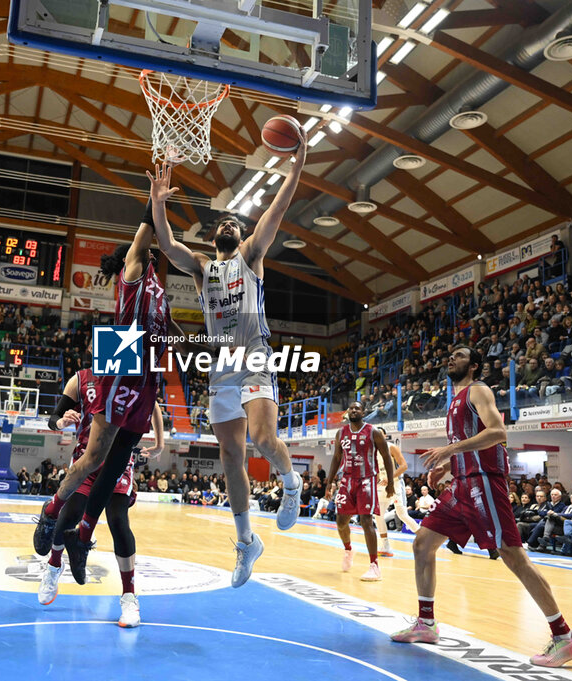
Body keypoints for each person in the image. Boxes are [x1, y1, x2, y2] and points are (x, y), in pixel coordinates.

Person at [148, 141, 309, 587]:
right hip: (220, 368)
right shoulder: (202, 269)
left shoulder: (251, 256)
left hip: (254, 355)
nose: (228, 224)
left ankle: (291, 483)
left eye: (234, 224)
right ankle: (246, 542)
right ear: (214, 237)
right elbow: (166, 243)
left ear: (241, 238)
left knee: (263, 438)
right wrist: (157, 202)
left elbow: (277, 210)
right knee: (230, 456)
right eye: (223, 222)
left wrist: (296, 167)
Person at [390, 346, 572, 668]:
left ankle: (564, 637)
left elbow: (497, 433)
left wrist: (450, 450)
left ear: (474, 365)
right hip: (461, 484)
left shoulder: (478, 390)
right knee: (422, 543)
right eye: (450, 355)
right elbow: (475, 444)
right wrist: (450, 465)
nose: (451, 358)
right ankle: (426, 623)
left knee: (513, 556)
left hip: (484, 483)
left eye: (460, 355)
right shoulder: (455, 399)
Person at [33, 192, 170, 587]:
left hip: (147, 370)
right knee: (94, 457)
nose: (151, 249)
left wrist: (196, 346)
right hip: (124, 354)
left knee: (116, 463)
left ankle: (81, 540)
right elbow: (145, 233)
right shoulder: (134, 272)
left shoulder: (159, 291)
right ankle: (52, 512)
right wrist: (157, 199)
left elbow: (167, 327)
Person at [38, 366, 163, 627]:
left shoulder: (132, 376)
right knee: (70, 515)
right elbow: (54, 416)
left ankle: (129, 596)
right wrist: (61, 422)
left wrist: (160, 444)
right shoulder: (81, 379)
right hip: (87, 459)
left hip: (119, 462)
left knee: (118, 521)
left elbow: (153, 405)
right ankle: (54, 566)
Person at [326, 401, 394, 580]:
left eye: (357, 408)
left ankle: (374, 565)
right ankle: (349, 550)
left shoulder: (373, 432)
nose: (354, 410)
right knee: (341, 522)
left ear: (363, 412)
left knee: (366, 520)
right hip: (347, 480)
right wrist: (329, 482)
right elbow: (336, 458)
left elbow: (387, 457)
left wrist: (390, 484)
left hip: (367, 480)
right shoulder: (341, 433)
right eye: (351, 408)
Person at [373, 427, 418, 558]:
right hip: (382, 484)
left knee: (402, 514)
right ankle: (385, 546)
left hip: (396, 483)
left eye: (380, 434)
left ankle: (423, 536)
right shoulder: (372, 451)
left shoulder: (391, 447)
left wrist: (390, 478)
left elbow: (404, 466)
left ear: (385, 436)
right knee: (378, 514)